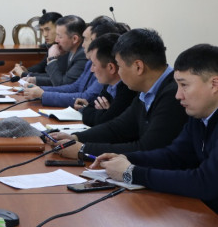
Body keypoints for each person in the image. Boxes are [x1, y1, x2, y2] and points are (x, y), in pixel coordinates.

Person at [92, 44, 218, 213]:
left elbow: (206, 183)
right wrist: (126, 158)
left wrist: (132, 173)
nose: (178, 95)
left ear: (214, 84)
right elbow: (174, 156)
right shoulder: (200, 116)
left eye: (184, 85)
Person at [51, 28, 187, 159]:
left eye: (120, 66)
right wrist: (75, 137)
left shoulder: (174, 95)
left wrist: (83, 150)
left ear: (138, 67)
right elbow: (119, 127)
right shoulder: (146, 90)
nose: (119, 73)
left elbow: (147, 149)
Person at [20, 16, 116, 104]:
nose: (83, 44)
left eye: (86, 39)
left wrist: (43, 94)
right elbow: (75, 87)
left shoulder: (87, 58)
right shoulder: (87, 61)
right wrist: (40, 89)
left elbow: (87, 97)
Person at [74, 33, 138, 126]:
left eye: (94, 64)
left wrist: (102, 115)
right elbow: (90, 110)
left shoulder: (128, 89)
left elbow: (106, 121)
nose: (91, 70)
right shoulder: (109, 85)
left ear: (111, 67)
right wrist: (101, 113)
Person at [26, 15, 88, 87]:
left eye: (59, 36)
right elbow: (62, 78)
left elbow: (62, 85)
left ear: (74, 39)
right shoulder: (71, 50)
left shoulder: (82, 55)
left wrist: (52, 59)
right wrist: (35, 80)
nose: (56, 40)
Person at [8, 11, 64, 78]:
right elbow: (42, 66)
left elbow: (53, 77)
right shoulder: (54, 45)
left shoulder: (67, 47)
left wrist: (24, 74)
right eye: (42, 30)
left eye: (47, 29)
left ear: (59, 28)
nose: (44, 34)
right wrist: (26, 70)